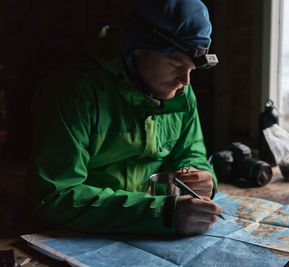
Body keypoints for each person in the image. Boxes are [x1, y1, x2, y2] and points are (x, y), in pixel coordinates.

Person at [28, 0, 221, 236]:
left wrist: (200, 176)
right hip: (83, 235)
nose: (186, 81)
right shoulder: (73, 93)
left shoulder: (178, 91)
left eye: (192, 69)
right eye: (176, 65)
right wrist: (161, 213)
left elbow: (189, 153)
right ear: (139, 49)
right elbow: (53, 197)